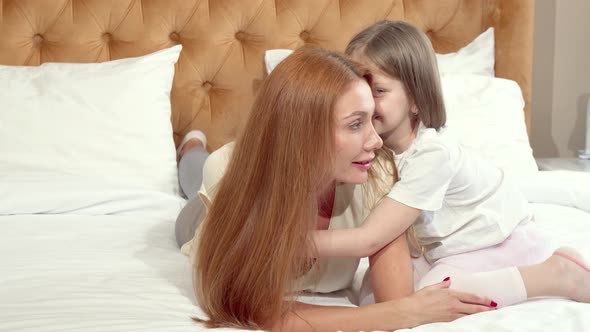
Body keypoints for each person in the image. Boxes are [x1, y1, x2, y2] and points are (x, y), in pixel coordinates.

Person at [176, 47, 496, 331]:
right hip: (198, 215)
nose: (376, 141)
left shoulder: (377, 176)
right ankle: (191, 144)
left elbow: (394, 301)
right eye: (355, 124)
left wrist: (401, 310)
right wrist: (401, 313)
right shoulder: (228, 172)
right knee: (193, 180)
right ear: (303, 131)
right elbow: (250, 310)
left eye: (372, 119)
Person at [311, 20, 590, 308]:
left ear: (417, 98)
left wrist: (297, 244)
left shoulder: (433, 155)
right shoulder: (373, 153)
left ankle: (558, 275)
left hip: (491, 242)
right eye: (360, 87)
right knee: (371, 298)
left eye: (378, 90)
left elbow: (370, 238)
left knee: (432, 296)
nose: (366, 98)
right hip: (440, 249)